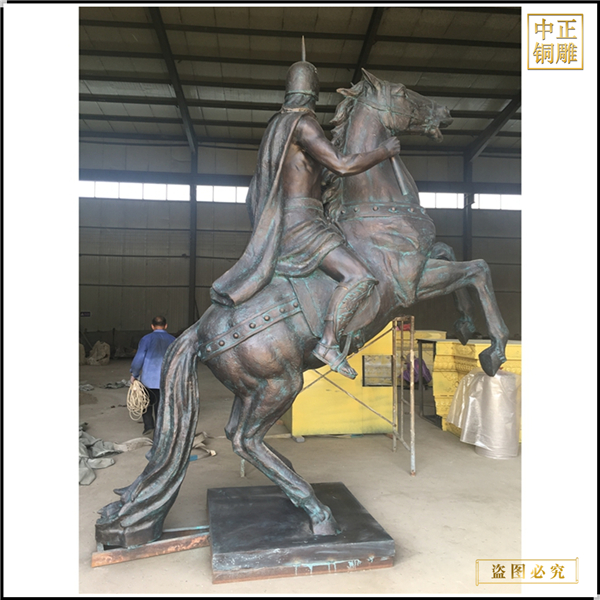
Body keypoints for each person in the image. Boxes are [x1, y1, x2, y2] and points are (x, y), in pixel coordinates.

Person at [210, 48, 400, 379]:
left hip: (289, 221)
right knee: (359, 275)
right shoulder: (304, 124)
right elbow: (342, 165)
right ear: (313, 91)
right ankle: (328, 343)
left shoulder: (277, 126)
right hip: (303, 225)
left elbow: (300, 174)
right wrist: (383, 151)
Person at [129, 316, 176, 435]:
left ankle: (149, 427)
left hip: (148, 380)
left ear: (152, 326)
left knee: (145, 403)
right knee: (161, 405)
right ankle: (161, 430)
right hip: (166, 379)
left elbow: (139, 358)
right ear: (166, 326)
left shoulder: (146, 339)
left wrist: (134, 374)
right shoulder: (173, 340)